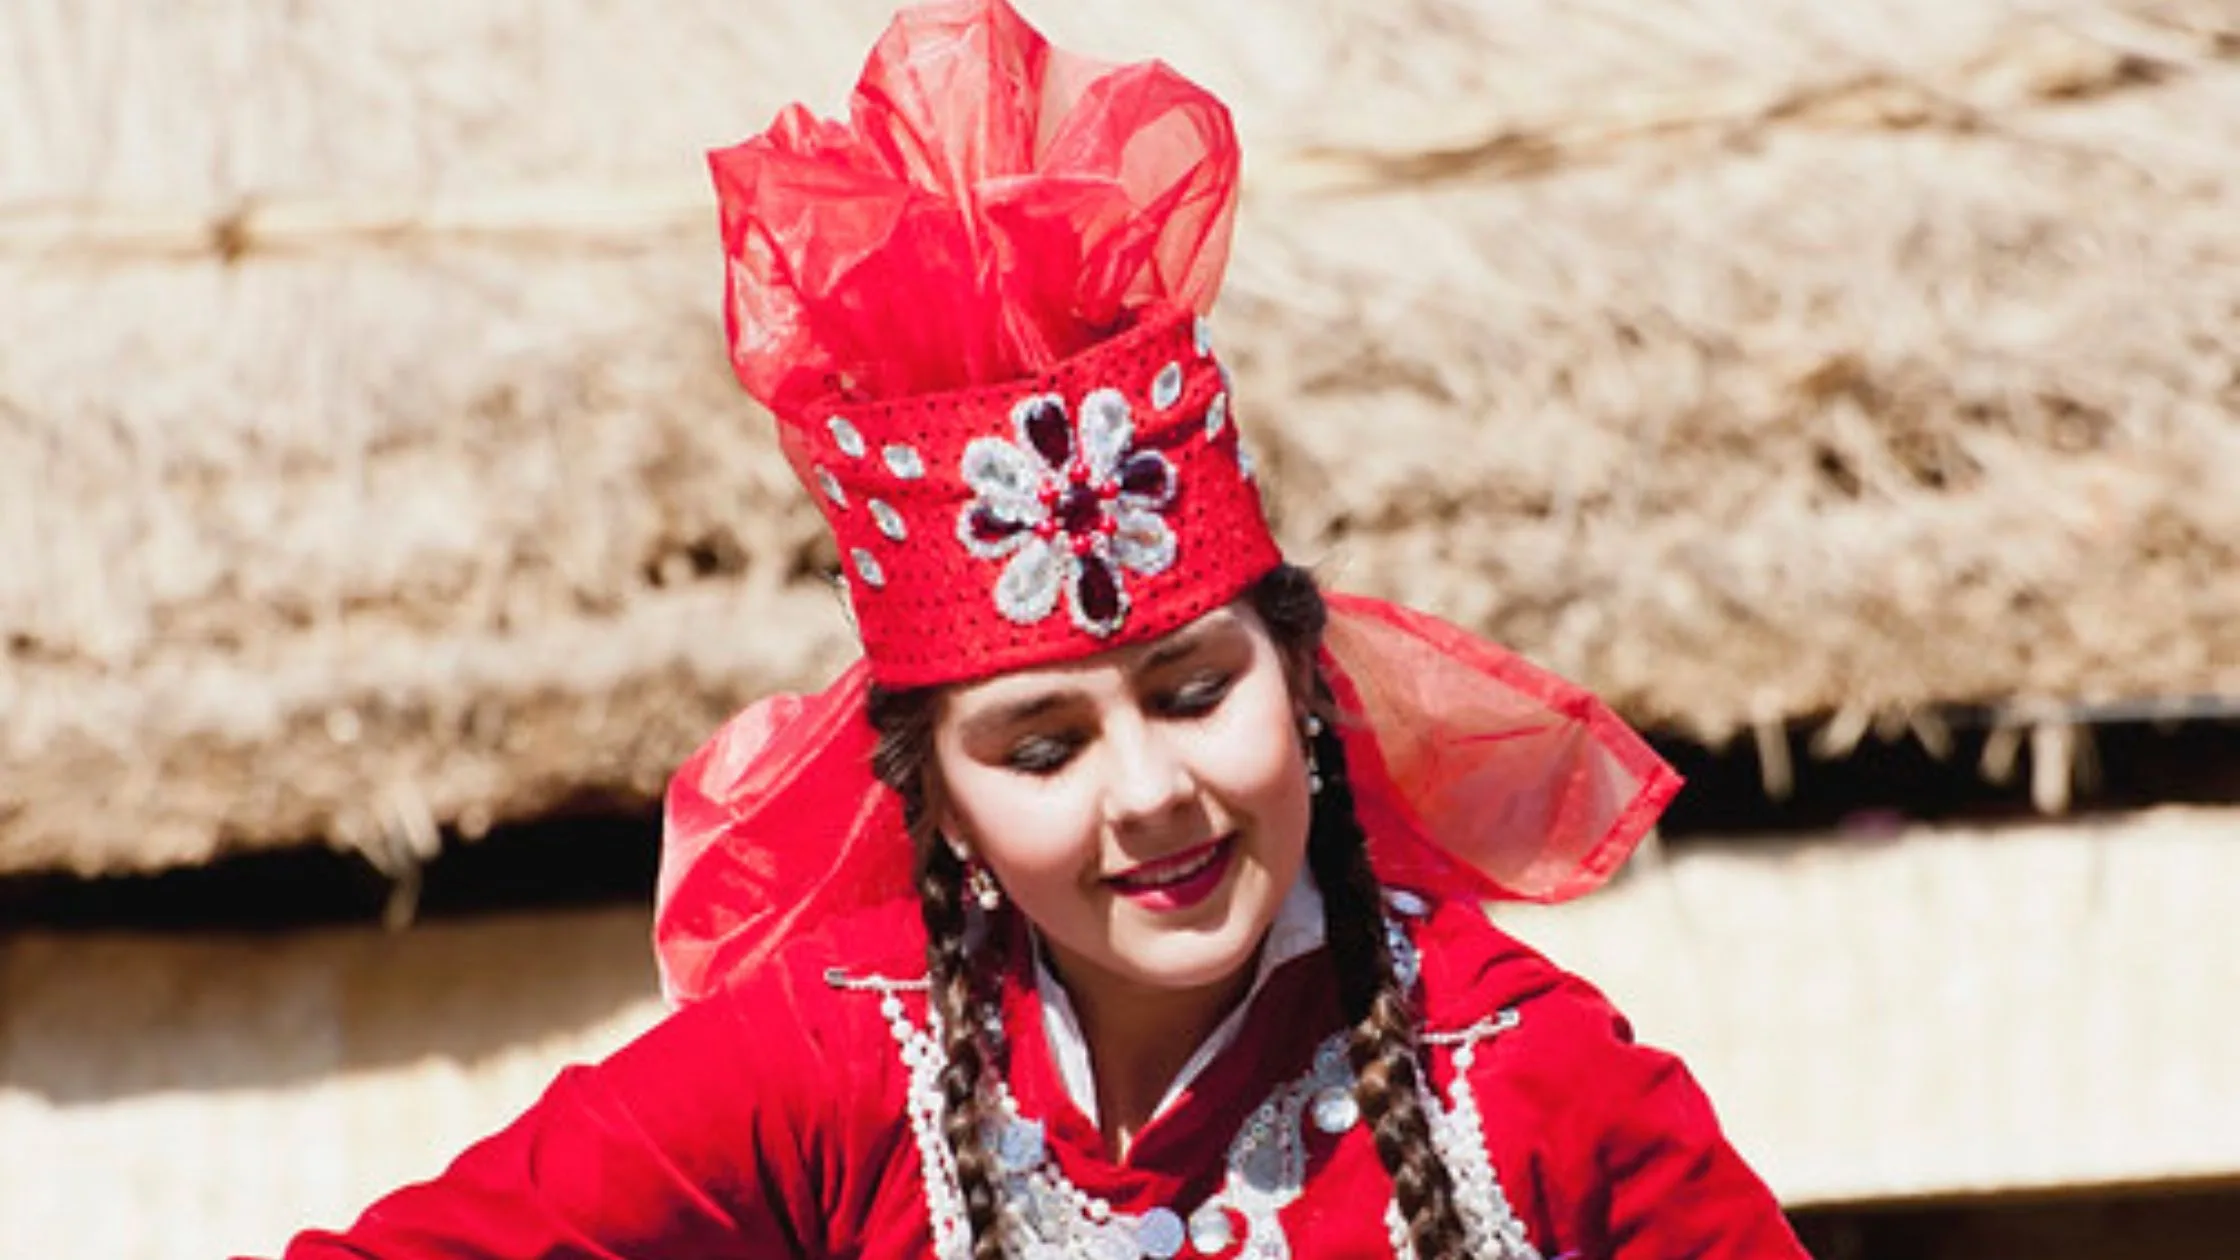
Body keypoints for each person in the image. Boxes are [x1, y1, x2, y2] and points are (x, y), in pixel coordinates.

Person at [266, 1, 1809, 1256]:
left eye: (1195, 693)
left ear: (1306, 681)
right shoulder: (836, 1069)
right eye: (1043, 744)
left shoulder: (1521, 1076)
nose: (1148, 794)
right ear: (936, 796)